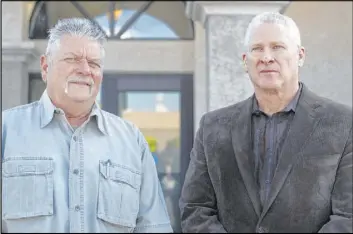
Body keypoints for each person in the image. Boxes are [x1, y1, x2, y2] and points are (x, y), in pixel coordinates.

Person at [179, 12, 352, 233]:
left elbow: (348, 216)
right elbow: (195, 208)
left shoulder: (343, 124)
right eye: (257, 48)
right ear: (245, 61)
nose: (266, 57)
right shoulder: (213, 127)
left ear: (300, 55)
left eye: (277, 47)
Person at [2, 18, 173, 233]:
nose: (85, 70)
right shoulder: (6, 131)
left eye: (93, 63)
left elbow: (154, 226)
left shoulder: (131, 140)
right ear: (45, 67)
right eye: (72, 59)